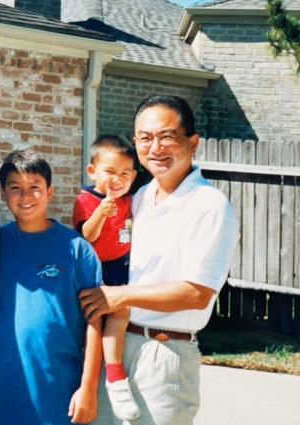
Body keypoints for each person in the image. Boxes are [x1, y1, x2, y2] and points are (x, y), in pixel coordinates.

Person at [80, 95, 238, 425]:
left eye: (167, 136)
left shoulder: (208, 205)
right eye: (145, 138)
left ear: (192, 143)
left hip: (165, 353)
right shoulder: (138, 197)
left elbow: (197, 294)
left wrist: (119, 295)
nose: (156, 147)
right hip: (118, 344)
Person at [0, 149, 104, 425]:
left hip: (59, 390)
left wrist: (89, 388)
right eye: (15, 188)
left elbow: (95, 323)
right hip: (1, 389)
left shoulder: (77, 250)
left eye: (34, 187)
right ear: (3, 193)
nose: (25, 196)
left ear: (49, 191)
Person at [72, 135, 140, 421]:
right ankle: (91, 381)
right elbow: (86, 236)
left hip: (121, 267)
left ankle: (115, 376)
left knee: (120, 313)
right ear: (92, 172)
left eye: (125, 173)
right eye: (110, 172)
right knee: (93, 325)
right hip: (94, 269)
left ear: (134, 177)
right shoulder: (86, 200)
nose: (117, 179)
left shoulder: (130, 200)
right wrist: (100, 213)